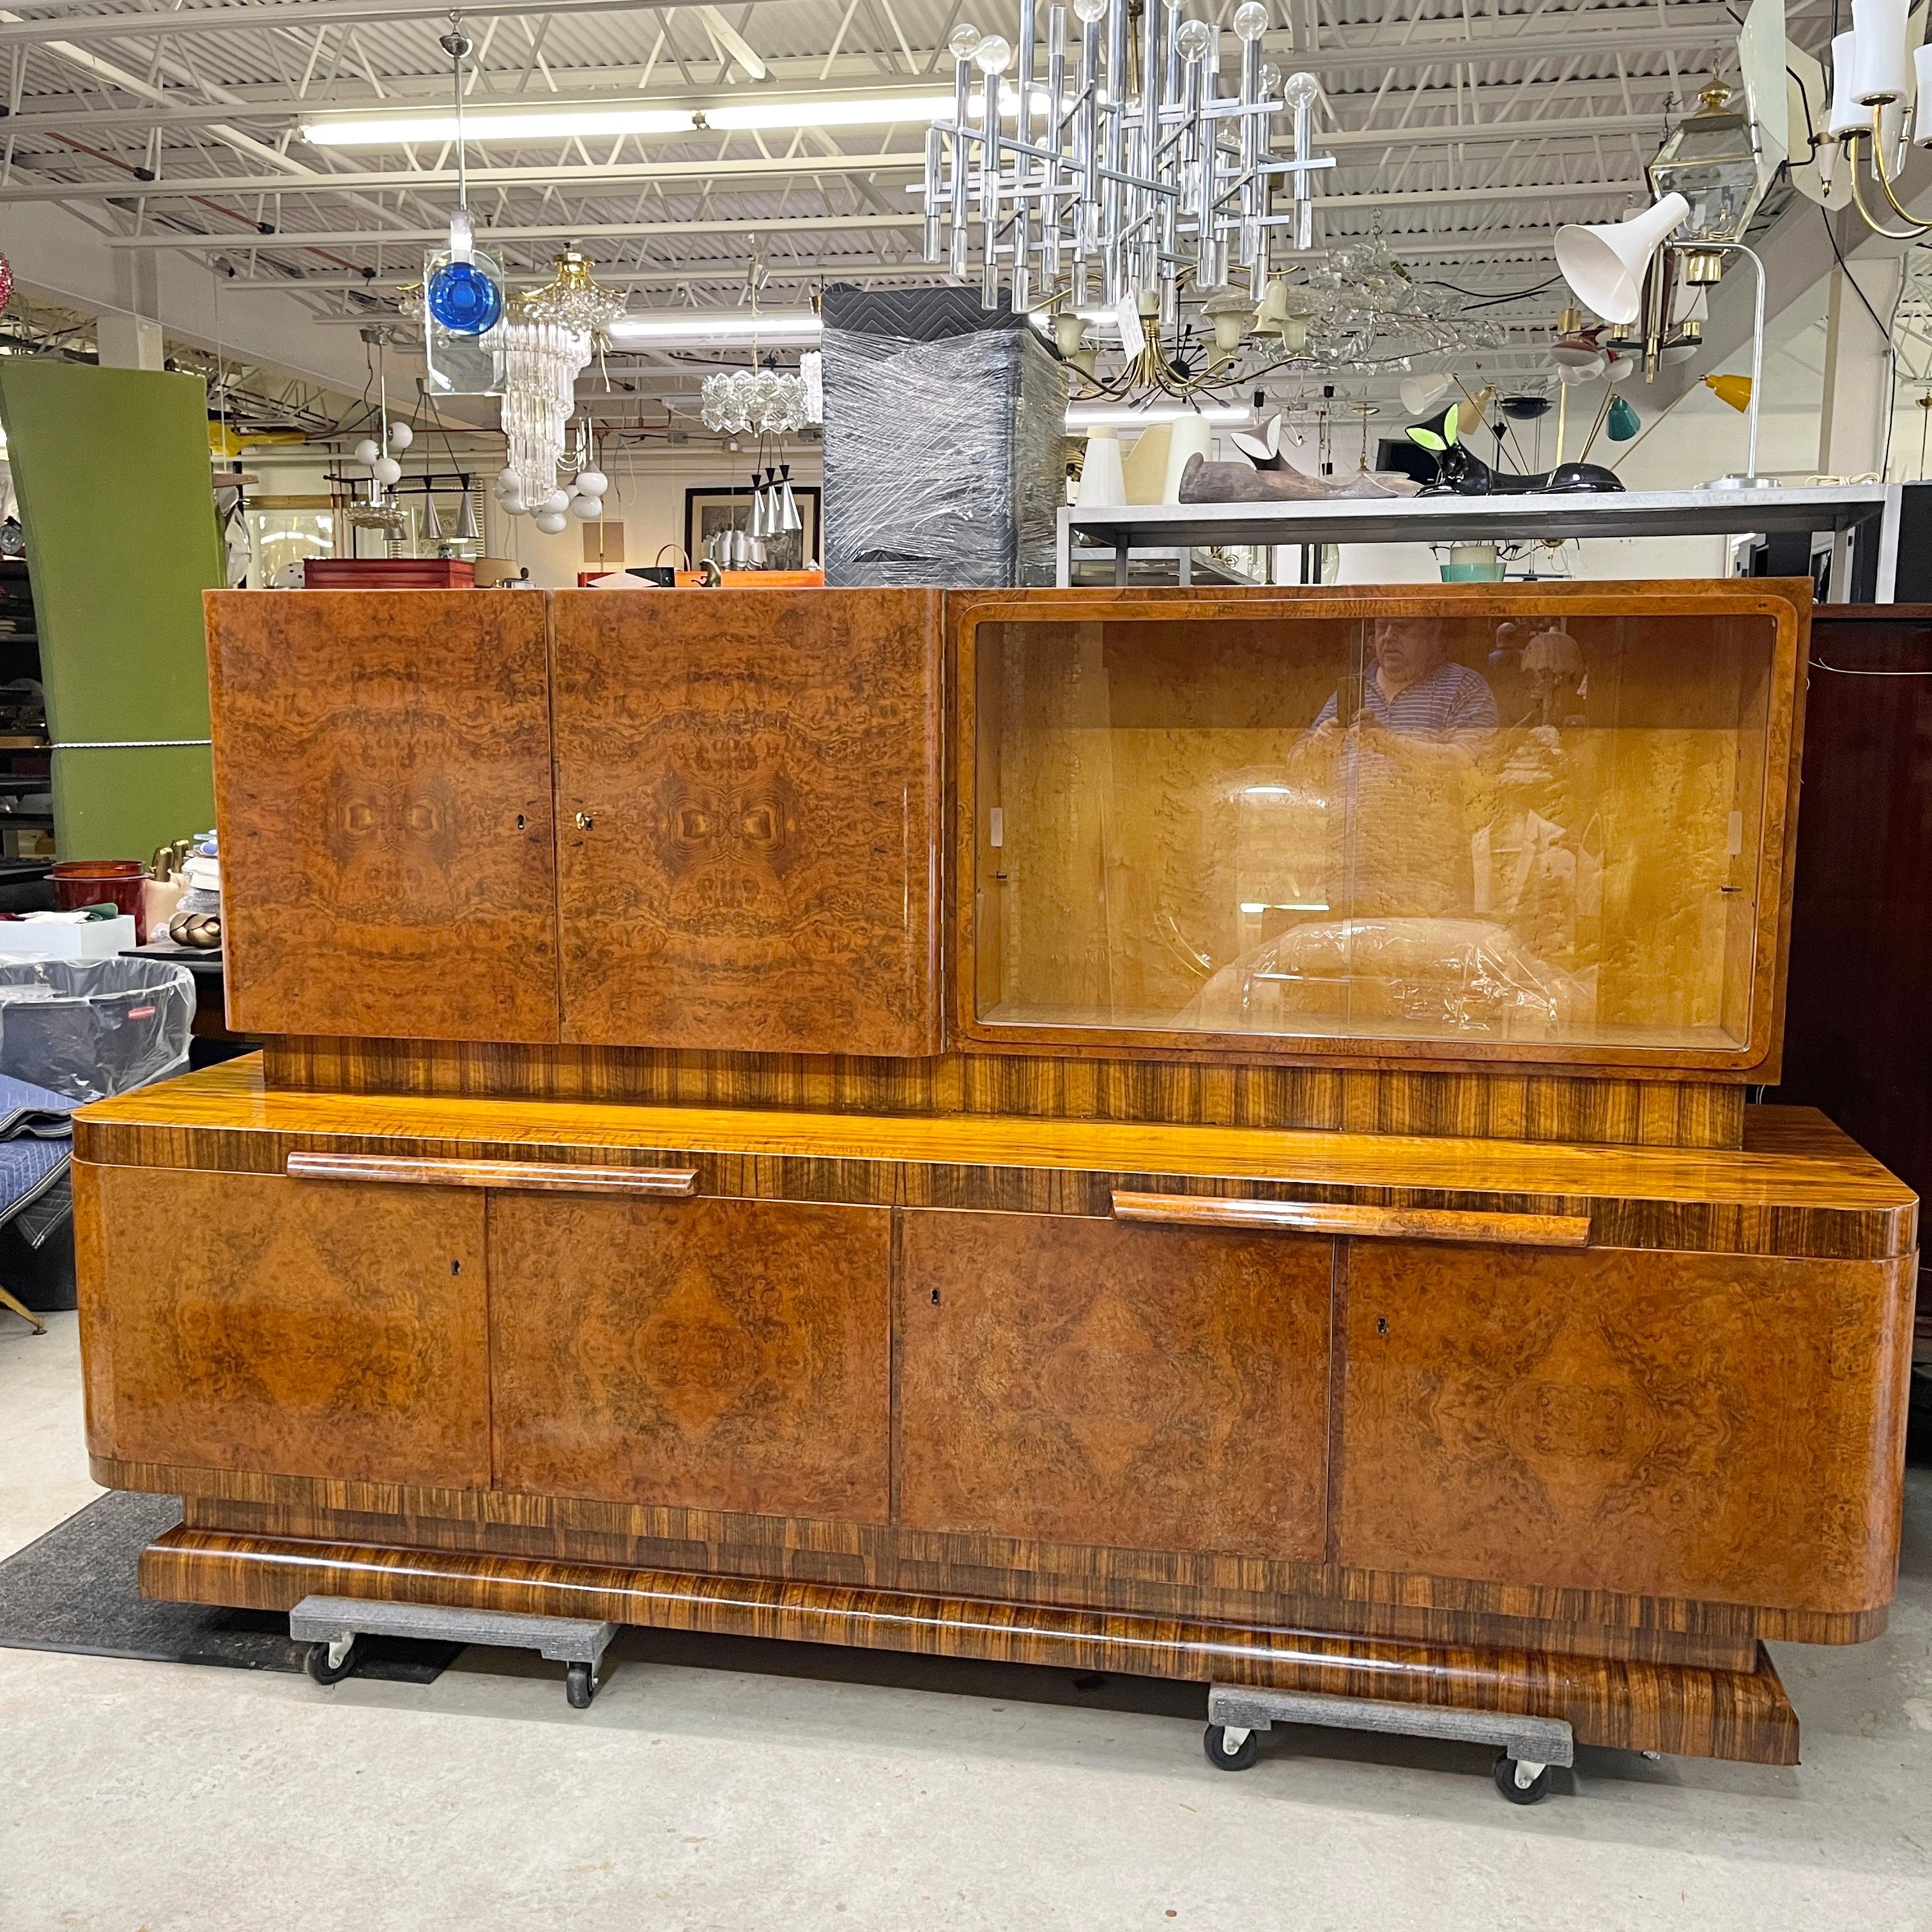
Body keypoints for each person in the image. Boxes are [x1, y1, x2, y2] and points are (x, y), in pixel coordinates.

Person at [1288, 617, 1497, 919]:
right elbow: (1297, 770)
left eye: (1402, 627)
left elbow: (1471, 769)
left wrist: (1389, 743)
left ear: (1432, 631)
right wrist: (1319, 746)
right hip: (1351, 882)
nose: (1388, 637)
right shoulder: (1353, 691)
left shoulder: (1464, 688)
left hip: (1431, 886)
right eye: (1381, 627)